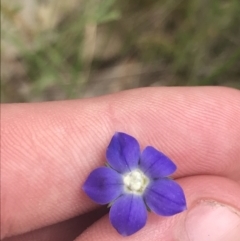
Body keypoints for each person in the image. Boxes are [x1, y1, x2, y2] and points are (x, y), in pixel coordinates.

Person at [1, 87, 240, 241]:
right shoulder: (115, 167)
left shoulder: (165, 194)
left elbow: (175, 203)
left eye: (139, 180)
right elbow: (93, 187)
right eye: (136, 180)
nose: (135, 181)